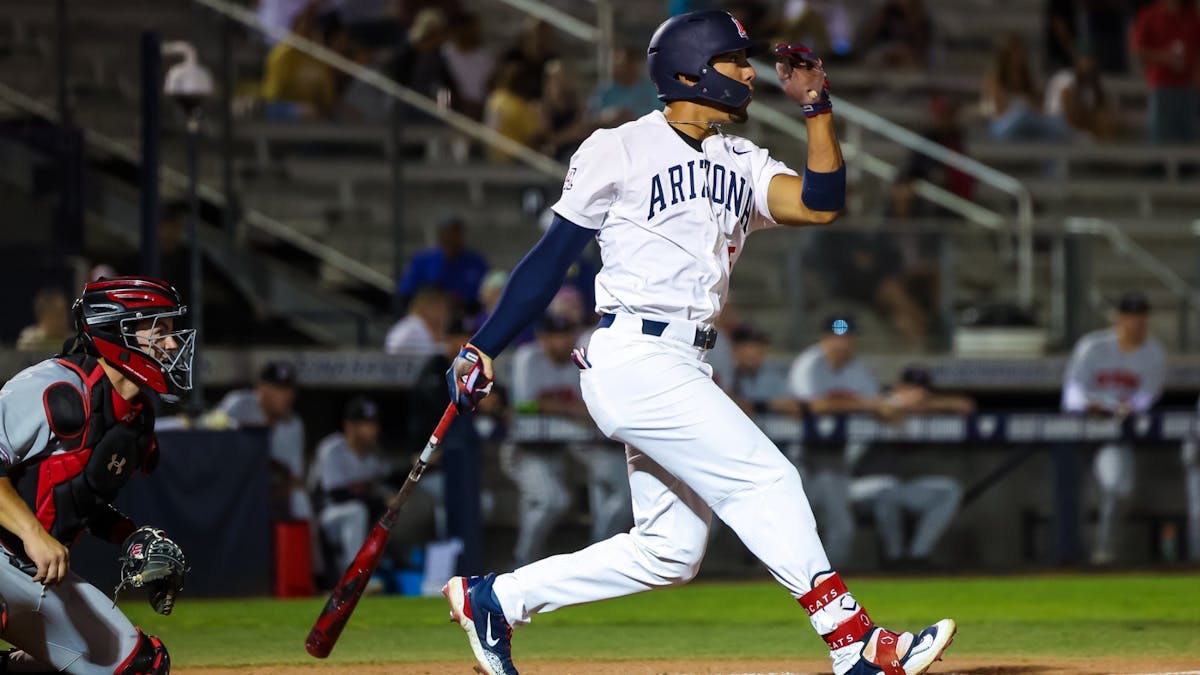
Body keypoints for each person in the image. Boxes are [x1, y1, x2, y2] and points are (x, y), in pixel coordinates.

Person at [440, 12, 954, 675]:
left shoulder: (739, 158)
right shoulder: (618, 147)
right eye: (734, 60)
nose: (748, 72)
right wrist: (485, 346)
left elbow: (821, 201)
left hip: (684, 359)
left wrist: (818, 109)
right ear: (689, 72)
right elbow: (551, 258)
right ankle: (852, 639)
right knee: (764, 476)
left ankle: (498, 599)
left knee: (669, 551)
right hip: (634, 354)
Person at [0, 276, 193, 673]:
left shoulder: (136, 422)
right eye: (159, 330)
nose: (172, 345)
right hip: (11, 554)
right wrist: (33, 534)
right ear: (115, 332)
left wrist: (131, 538)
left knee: (141, 665)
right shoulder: (56, 387)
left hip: (30, 571)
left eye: (172, 332)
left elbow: (77, 496)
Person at [1061, 291, 1166, 565]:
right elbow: (1072, 392)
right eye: (1129, 316)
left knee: (1117, 488)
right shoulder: (1093, 346)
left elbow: (1144, 399)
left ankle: (1103, 554)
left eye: (1140, 316)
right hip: (1078, 428)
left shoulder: (1154, 353)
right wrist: (1093, 404)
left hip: (1114, 432)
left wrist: (1119, 409)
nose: (1135, 322)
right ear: (1117, 318)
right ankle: (1069, 559)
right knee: (1072, 496)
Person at [859, 365, 970, 569]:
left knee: (949, 491)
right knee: (886, 491)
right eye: (911, 387)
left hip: (892, 486)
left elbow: (965, 405)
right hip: (852, 485)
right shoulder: (879, 402)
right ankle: (893, 560)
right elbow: (887, 410)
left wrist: (925, 404)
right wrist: (903, 401)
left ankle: (916, 558)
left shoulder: (920, 408)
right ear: (898, 386)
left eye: (922, 389)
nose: (918, 393)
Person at [1130, 0, 1200, 144]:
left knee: (1188, 138)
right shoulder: (1150, 14)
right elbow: (1138, 50)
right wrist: (1164, 57)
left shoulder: (1192, 16)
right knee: (1160, 138)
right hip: (1162, 85)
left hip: (1188, 86)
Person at [396, 214, 490, 311]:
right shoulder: (423, 260)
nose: (452, 238)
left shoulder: (476, 262)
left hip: (466, 317)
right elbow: (405, 292)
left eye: (456, 233)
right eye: (448, 233)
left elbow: (487, 296)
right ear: (440, 235)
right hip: (429, 314)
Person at [1043, 50, 1117, 141]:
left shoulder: (1090, 89)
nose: (1089, 65)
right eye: (1086, 60)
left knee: (1102, 121)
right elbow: (1069, 112)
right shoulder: (1065, 77)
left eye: (1092, 61)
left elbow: (1092, 114)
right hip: (1055, 121)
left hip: (1075, 126)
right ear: (1078, 62)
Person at [588, 46, 662, 126]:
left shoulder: (652, 90)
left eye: (622, 64)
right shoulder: (605, 91)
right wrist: (606, 116)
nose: (618, 68)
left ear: (634, 65)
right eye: (615, 64)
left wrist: (633, 117)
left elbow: (662, 116)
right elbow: (590, 116)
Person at [384, 286, 451, 355]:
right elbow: (396, 347)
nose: (444, 312)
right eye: (439, 307)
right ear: (424, 306)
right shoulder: (413, 327)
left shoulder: (427, 328)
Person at [15, 287, 71, 353]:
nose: (65, 319)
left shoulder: (76, 341)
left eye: (66, 314)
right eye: (59, 315)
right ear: (44, 315)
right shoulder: (29, 341)